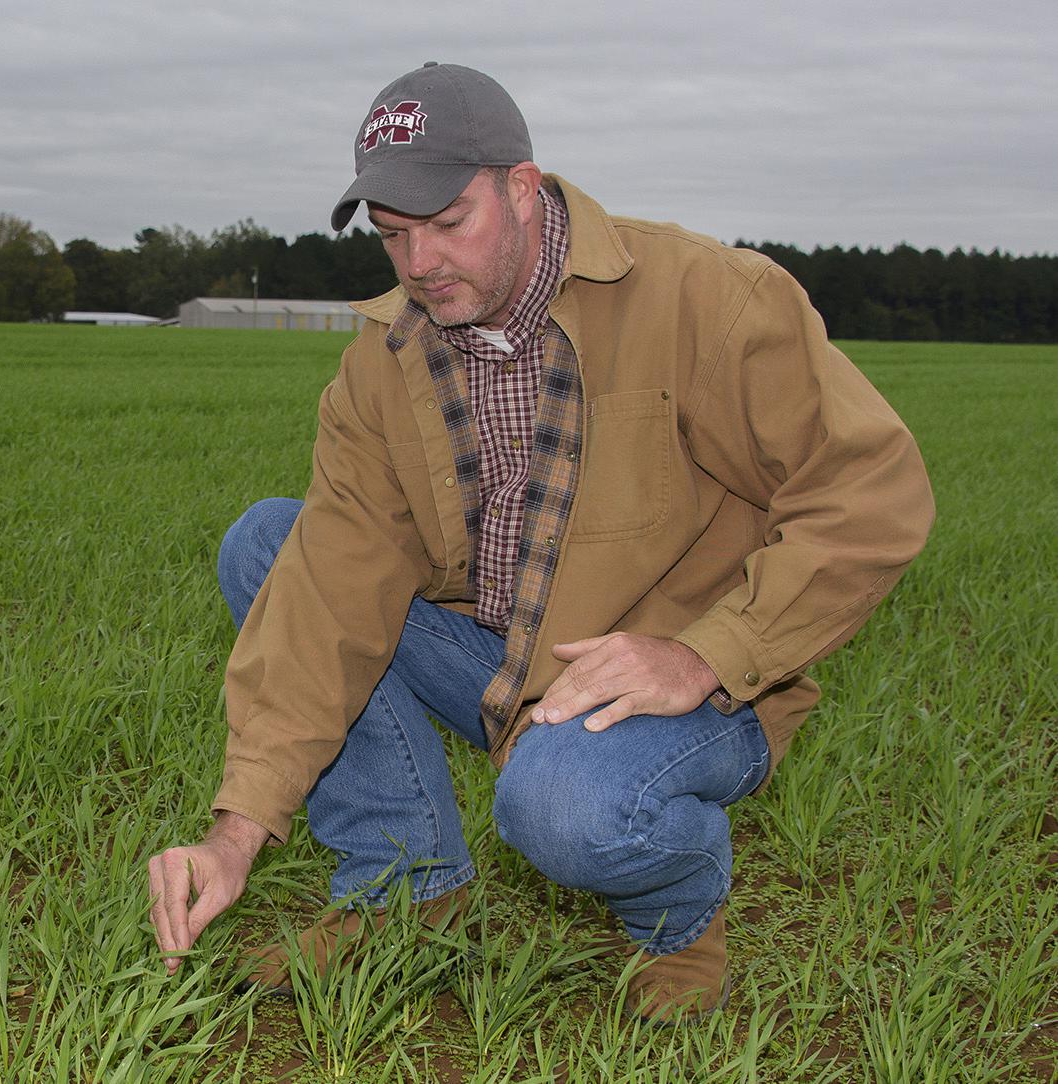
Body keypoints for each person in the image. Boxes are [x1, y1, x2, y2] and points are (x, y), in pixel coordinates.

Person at [147, 61, 934, 1022]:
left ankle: (679, 920)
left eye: (447, 222)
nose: (419, 261)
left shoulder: (706, 299)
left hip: (685, 678)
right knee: (274, 544)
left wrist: (702, 654)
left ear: (522, 188)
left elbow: (871, 492)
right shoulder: (385, 358)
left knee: (557, 806)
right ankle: (409, 889)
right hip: (498, 655)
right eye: (395, 236)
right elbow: (329, 590)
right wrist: (236, 832)